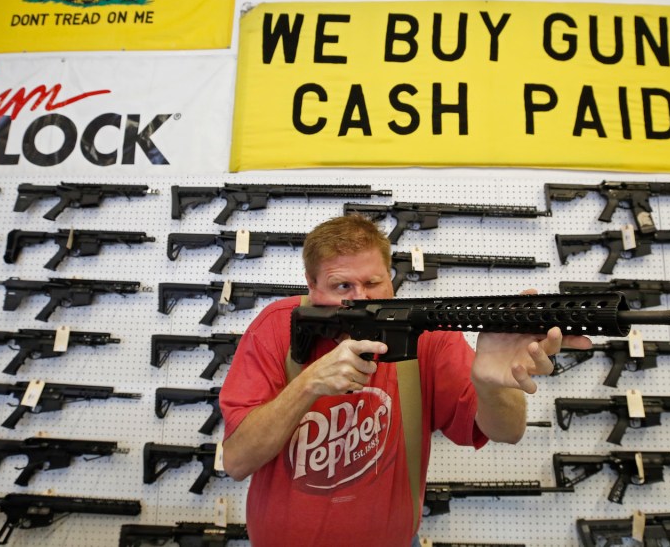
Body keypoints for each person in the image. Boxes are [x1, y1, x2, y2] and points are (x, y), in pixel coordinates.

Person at [219, 214, 590, 547]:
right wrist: (308, 384)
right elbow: (236, 462)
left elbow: (508, 431)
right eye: (342, 287)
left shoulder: (429, 336)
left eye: (373, 282)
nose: (361, 299)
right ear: (311, 284)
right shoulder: (275, 327)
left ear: (391, 278)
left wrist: (492, 384)